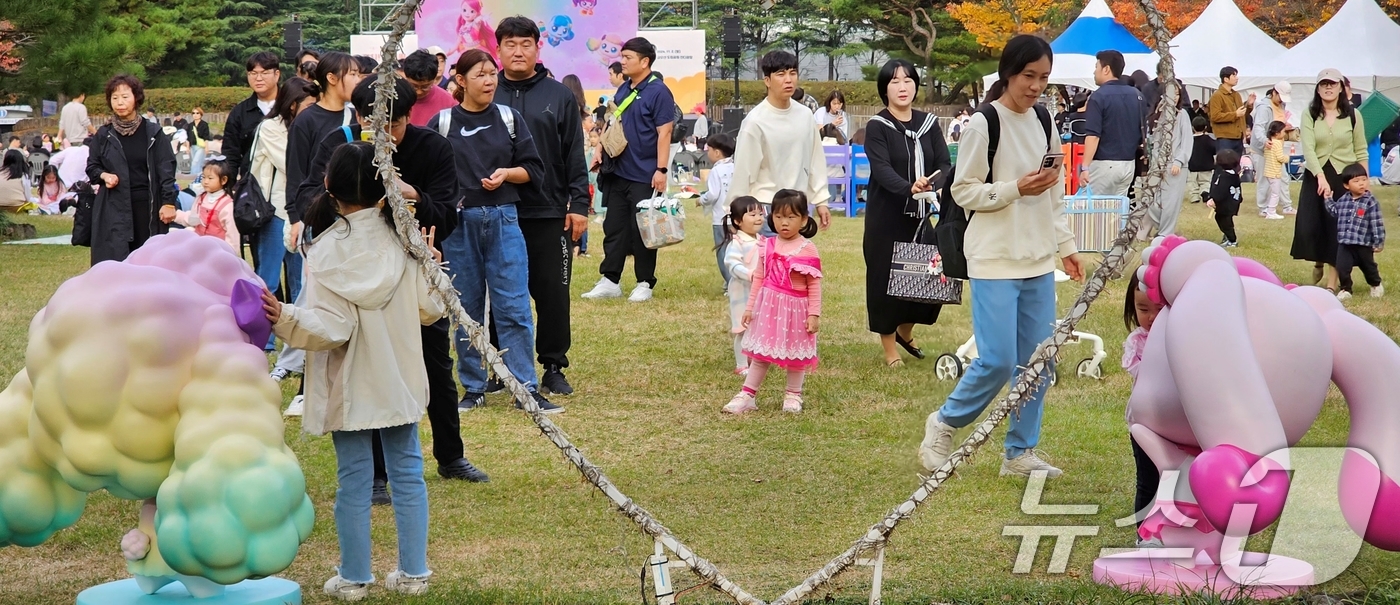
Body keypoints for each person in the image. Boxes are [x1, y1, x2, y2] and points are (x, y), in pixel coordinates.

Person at [262, 142, 440, 601]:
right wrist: (432, 266)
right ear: (386, 188)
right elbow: (429, 308)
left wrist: (283, 316)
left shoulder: (323, 251)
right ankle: (414, 572)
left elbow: (330, 329)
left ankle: (355, 577)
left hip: (350, 385)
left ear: (328, 185)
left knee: (355, 479)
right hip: (398, 378)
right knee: (407, 472)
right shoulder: (404, 240)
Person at [305, 76, 485, 487]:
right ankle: (377, 475)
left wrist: (412, 194)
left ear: (410, 116)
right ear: (360, 118)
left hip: (412, 273)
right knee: (367, 369)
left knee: (436, 363)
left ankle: (451, 455)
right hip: (356, 275)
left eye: (396, 124)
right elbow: (311, 199)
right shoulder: (342, 146)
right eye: (375, 126)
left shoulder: (433, 148)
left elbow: (448, 214)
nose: (385, 135)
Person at [918, 35, 1083, 479]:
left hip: (1037, 260)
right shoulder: (983, 123)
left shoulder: (1045, 120)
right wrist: (1014, 189)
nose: (1035, 86)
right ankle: (944, 423)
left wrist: (1066, 248)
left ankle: (1019, 452)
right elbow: (962, 190)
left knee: (1039, 361)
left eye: (1044, 78)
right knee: (995, 358)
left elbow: (1054, 193)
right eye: (1029, 76)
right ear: (1008, 73)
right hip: (992, 256)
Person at [430, 49, 563, 415]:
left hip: (505, 218)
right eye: (480, 75)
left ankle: (526, 388)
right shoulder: (442, 123)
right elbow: (428, 175)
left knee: (515, 306)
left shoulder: (509, 118)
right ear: (460, 80)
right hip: (459, 224)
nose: (489, 81)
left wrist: (506, 173)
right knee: (466, 308)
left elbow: (533, 170)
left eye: (493, 74)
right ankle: (472, 388)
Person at [482, 16, 591, 397]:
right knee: (499, 290)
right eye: (510, 44)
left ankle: (553, 364)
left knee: (552, 291)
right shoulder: (487, 92)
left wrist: (579, 204)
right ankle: (502, 365)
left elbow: (574, 154)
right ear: (499, 50)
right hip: (496, 209)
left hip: (548, 211)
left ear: (537, 48)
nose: (517, 51)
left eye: (525, 43)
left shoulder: (558, 95)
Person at [863, 58, 952, 367]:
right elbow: (882, 169)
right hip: (887, 215)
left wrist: (933, 182)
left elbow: (944, 163)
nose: (902, 87)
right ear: (884, 89)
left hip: (925, 214)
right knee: (885, 281)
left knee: (928, 278)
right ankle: (889, 348)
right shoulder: (877, 126)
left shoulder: (929, 124)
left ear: (916, 85)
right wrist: (908, 187)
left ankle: (906, 329)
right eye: (894, 81)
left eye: (908, 80)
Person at [582, 37, 677, 303]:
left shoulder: (659, 92)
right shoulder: (624, 89)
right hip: (618, 171)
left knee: (643, 230)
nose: (622, 62)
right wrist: (600, 147)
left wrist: (661, 169)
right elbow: (612, 123)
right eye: (622, 57)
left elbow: (665, 132)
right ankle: (610, 279)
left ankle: (644, 282)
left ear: (645, 61)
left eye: (627, 58)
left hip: (645, 173)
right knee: (614, 227)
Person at [721, 190, 823, 414]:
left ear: (804, 219)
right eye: (778, 217)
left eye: (791, 217)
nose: (784, 223)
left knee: (796, 355)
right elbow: (759, 277)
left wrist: (813, 314)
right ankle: (747, 395)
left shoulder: (807, 248)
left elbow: (814, 285)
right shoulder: (766, 245)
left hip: (796, 310)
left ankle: (793, 395)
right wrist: (750, 308)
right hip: (768, 308)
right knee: (760, 353)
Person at [725, 50, 833, 237]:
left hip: (798, 206)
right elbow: (744, 170)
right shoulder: (755, 121)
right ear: (767, 80)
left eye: (792, 73)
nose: (788, 80)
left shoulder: (806, 115)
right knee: (768, 266)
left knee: (797, 264)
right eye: (781, 74)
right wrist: (734, 212)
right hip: (767, 208)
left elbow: (816, 160)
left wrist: (821, 200)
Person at [85, 75, 178, 265]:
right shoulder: (104, 134)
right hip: (114, 206)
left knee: (149, 261)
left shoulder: (153, 133)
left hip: (148, 206)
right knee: (116, 262)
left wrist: (169, 202)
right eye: (115, 97)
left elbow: (166, 169)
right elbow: (92, 167)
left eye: (125, 97)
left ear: (136, 98)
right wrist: (104, 175)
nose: (120, 102)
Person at [253, 76, 317, 345]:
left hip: (301, 211)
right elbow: (293, 164)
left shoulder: (307, 126)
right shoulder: (270, 128)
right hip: (275, 211)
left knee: (300, 281)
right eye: (309, 104)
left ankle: (297, 340)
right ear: (292, 105)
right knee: (268, 280)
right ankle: (263, 339)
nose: (315, 109)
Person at [1291, 68, 1368, 292]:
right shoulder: (1310, 113)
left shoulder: (1354, 114)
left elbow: (1361, 149)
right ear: (1317, 88)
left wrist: (1363, 181)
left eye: (1332, 84)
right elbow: (1309, 148)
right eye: (1323, 84)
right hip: (1317, 175)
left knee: (1339, 231)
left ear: (1340, 87)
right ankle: (1318, 261)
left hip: (1344, 178)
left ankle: (1332, 285)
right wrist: (1320, 177)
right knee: (1311, 228)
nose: (1328, 87)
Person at [287, 52, 362, 242]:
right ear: (332, 78)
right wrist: (295, 218)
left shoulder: (357, 116)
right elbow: (296, 172)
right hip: (320, 214)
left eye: (359, 74)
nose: (358, 80)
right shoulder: (306, 120)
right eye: (352, 74)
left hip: (355, 215)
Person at [1120, 271, 1163, 545]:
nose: (1150, 317)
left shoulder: (1186, 336)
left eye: (1159, 309)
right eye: (1142, 309)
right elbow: (1134, 369)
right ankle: (1143, 536)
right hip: (1146, 423)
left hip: (1180, 426)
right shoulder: (1138, 340)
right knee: (1148, 482)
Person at [1080, 50, 1144, 198]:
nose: (1094, 71)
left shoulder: (1098, 97)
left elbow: (1093, 135)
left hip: (1104, 163)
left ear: (1106, 69)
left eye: (1096, 67)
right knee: (1116, 214)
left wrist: (1085, 167)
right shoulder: (1137, 95)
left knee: (1092, 211)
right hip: (1128, 163)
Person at [1325, 163, 1384, 300]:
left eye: (1364, 180)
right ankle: (1346, 289)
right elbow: (1335, 212)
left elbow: (1377, 222)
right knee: (1342, 267)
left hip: (1363, 243)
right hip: (1345, 242)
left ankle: (1375, 284)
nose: (1361, 184)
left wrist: (1378, 242)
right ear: (1347, 185)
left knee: (1368, 267)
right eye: (1356, 181)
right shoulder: (1343, 200)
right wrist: (1328, 199)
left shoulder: (1370, 201)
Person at [721, 196, 764, 377]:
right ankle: (741, 364)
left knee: (758, 325)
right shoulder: (737, 243)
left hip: (760, 292)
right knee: (742, 328)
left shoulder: (763, 241)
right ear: (738, 221)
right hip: (742, 292)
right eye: (752, 214)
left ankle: (754, 358)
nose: (758, 218)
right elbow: (732, 264)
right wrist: (749, 274)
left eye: (760, 213)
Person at [1143, 83, 1192, 238]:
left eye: (1177, 94)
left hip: (1176, 166)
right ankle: (1157, 229)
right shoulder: (1160, 114)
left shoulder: (1182, 114)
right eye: (1172, 93)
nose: (1175, 97)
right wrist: (1155, 162)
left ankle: (1165, 233)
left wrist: (1179, 161)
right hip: (1159, 165)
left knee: (1171, 202)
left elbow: (1186, 141)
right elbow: (1155, 141)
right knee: (1153, 200)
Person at [223, 51, 281, 178]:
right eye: (253, 73)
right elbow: (231, 154)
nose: (258, 78)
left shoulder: (290, 107)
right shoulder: (239, 112)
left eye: (264, 73)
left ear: (277, 75)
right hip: (251, 184)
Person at [166, 160, 239, 251]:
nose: (205, 181)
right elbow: (193, 219)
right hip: (199, 248)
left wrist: (230, 254)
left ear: (224, 180)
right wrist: (175, 215)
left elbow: (232, 234)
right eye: (204, 177)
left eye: (210, 178)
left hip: (218, 251)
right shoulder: (201, 198)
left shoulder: (227, 205)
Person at [1250, 82, 1296, 216]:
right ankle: (1263, 207)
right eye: (1280, 97)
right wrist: (1265, 141)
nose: (1281, 100)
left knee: (1283, 177)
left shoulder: (1282, 105)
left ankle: (1286, 206)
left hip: (1277, 147)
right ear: (1274, 93)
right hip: (1263, 148)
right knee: (1265, 178)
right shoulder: (1264, 107)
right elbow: (1258, 127)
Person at [700, 132, 736, 283]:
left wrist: (701, 200)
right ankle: (737, 280)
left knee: (723, 252)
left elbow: (713, 194)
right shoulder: (736, 167)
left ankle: (730, 283)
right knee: (737, 251)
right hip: (737, 218)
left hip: (721, 218)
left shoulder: (716, 170)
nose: (707, 153)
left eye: (708, 150)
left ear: (716, 152)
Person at [403, 50, 458, 127]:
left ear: (434, 79)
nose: (419, 92)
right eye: (414, 86)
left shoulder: (449, 103)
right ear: (406, 77)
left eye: (425, 87)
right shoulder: (395, 97)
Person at [1208, 66, 1255, 155]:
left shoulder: (1236, 95)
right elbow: (1215, 116)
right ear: (1226, 79)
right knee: (1224, 165)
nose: (1237, 78)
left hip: (1238, 137)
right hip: (1225, 138)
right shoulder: (1217, 96)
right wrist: (1235, 114)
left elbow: (1242, 115)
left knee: (1236, 166)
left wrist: (1248, 105)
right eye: (1234, 76)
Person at [1206, 148, 1243, 247]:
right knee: (1223, 219)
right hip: (1232, 203)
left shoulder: (1224, 177)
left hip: (1226, 205)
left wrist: (1213, 199)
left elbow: (1220, 191)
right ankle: (1228, 237)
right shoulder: (1234, 175)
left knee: (1225, 222)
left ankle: (1232, 240)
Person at [1259, 121, 1289, 220]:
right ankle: (1271, 212)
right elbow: (1280, 157)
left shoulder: (1268, 142)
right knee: (1275, 193)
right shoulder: (1277, 143)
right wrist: (1287, 158)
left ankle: (1269, 210)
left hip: (1268, 171)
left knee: (1272, 192)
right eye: (1283, 132)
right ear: (1277, 133)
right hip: (1275, 172)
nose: (1284, 134)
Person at [1186, 117, 1214, 204]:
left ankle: (1194, 197)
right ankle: (1205, 192)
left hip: (1192, 166)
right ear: (1205, 127)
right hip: (1206, 166)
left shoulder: (1189, 141)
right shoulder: (1209, 140)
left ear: (1192, 127)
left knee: (1192, 183)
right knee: (1206, 182)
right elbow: (1215, 150)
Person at [184, 107, 211, 178]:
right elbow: (188, 137)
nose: (195, 115)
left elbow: (206, 137)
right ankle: (199, 177)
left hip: (201, 146)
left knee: (195, 162)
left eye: (197, 113)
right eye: (193, 113)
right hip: (192, 146)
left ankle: (192, 177)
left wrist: (206, 147)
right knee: (198, 163)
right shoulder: (190, 125)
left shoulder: (204, 124)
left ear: (201, 114)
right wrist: (187, 147)